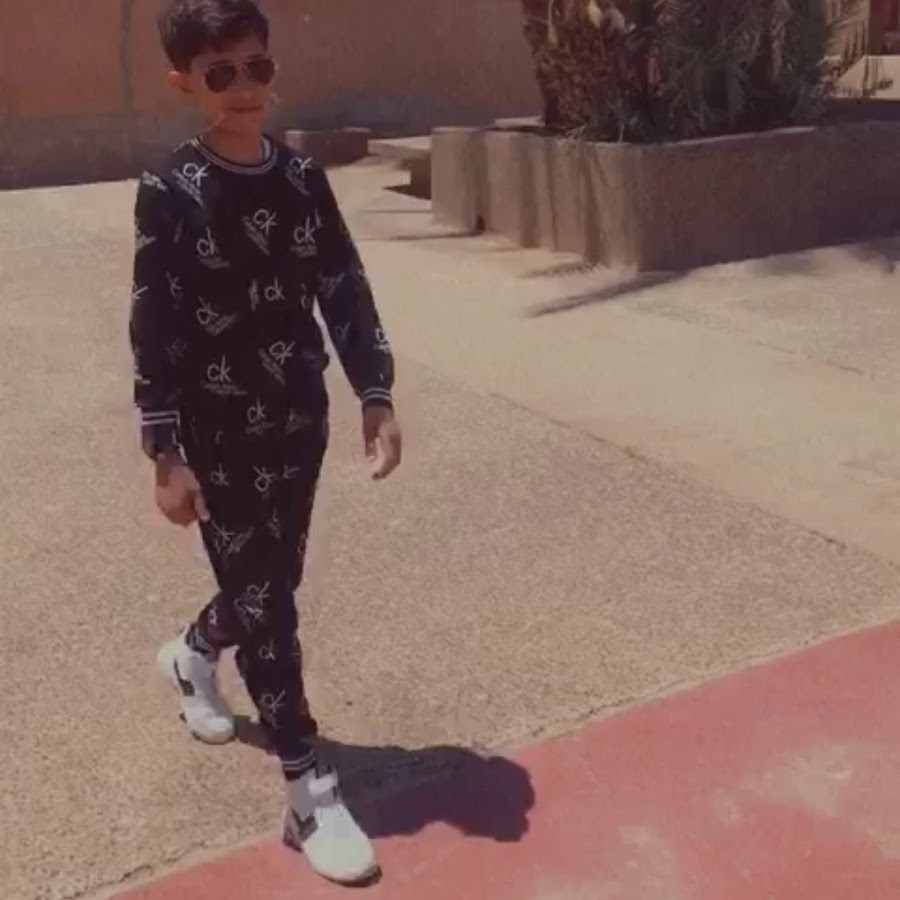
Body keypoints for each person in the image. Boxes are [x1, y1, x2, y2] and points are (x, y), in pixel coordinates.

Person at [128, 0, 402, 884]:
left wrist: (373, 390)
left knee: (269, 585)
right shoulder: (169, 190)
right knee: (273, 609)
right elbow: (154, 323)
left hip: (297, 420)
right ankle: (306, 787)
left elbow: (342, 283)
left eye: (258, 66)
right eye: (221, 73)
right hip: (217, 435)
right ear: (185, 83)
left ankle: (194, 652)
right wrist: (164, 451)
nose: (244, 87)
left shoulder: (301, 178)